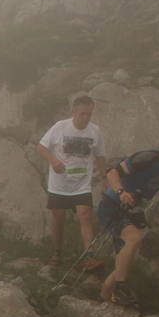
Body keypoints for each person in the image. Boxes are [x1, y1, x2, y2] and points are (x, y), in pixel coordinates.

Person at [98, 137, 159, 306]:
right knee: (134, 239)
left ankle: (104, 296)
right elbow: (112, 173)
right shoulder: (146, 159)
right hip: (113, 206)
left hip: (133, 213)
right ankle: (120, 289)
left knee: (125, 258)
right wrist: (121, 192)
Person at [37, 95, 107, 270]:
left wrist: (105, 178)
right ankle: (57, 253)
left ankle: (89, 258)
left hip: (81, 184)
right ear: (73, 112)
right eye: (82, 114)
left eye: (89, 114)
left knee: (85, 215)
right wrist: (53, 161)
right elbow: (41, 147)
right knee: (58, 218)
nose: (85, 118)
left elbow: (100, 156)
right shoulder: (60, 127)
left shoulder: (95, 131)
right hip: (59, 184)